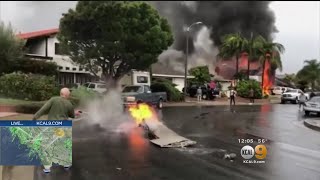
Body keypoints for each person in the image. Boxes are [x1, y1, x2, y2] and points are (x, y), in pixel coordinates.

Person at [33, 87, 81, 173]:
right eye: (69, 95)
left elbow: (44, 109)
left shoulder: (53, 99)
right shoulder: (69, 103)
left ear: (60, 93)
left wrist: (35, 117)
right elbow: (72, 115)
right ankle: (66, 164)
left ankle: (47, 168)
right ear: (67, 95)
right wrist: (76, 113)